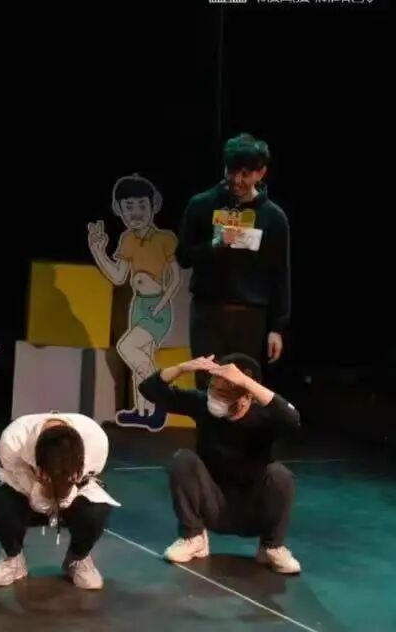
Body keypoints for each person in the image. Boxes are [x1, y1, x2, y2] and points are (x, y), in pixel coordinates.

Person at [138, 354, 302, 574]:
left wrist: (246, 382)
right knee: (183, 459)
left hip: (253, 511)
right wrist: (181, 367)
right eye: (213, 390)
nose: (215, 398)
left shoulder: (264, 418)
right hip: (213, 505)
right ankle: (194, 537)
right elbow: (149, 390)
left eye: (224, 395)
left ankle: (272, 547)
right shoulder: (202, 405)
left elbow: (292, 419)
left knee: (279, 474)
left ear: (247, 396)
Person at [177, 133, 290, 389]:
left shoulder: (274, 217)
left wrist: (277, 328)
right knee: (207, 391)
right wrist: (215, 243)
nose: (237, 180)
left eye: (245, 174)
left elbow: (280, 274)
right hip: (208, 315)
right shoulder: (201, 205)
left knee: (241, 393)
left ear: (261, 173)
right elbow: (183, 257)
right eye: (231, 171)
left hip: (251, 319)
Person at [87, 174, 182, 431]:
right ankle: (144, 412)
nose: (136, 212)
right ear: (119, 209)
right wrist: (98, 251)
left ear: (154, 205)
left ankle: (162, 395)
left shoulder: (165, 238)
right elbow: (118, 276)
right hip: (138, 306)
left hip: (157, 308)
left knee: (126, 347)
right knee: (142, 359)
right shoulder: (127, 239)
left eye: (142, 205)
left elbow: (175, 277)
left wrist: (161, 304)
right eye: (129, 207)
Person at [0, 413, 118, 590]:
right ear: (39, 469)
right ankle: (12, 558)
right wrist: (45, 488)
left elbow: (86, 481)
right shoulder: (13, 442)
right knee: (3, 502)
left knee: (96, 509)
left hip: (74, 493)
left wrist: (66, 488)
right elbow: (35, 499)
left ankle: (78, 558)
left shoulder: (95, 441)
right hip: (28, 491)